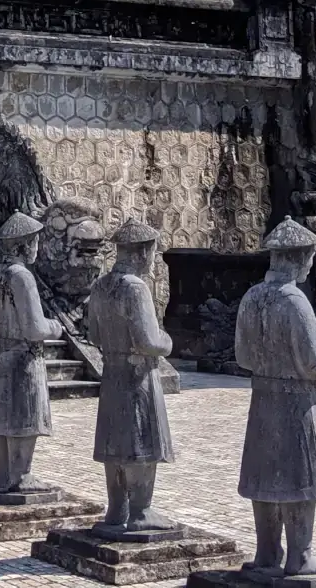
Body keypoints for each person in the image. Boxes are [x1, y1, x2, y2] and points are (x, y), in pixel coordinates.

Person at [233, 218, 316, 578]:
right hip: (295, 401)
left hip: (262, 396)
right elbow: (315, 361)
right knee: (300, 477)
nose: (312, 264)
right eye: (311, 256)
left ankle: (266, 552)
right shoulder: (294, 300)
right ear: (300, 257)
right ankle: (300, 554)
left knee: (264, 475)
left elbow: (243, 356)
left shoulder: (252, 296)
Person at [88, 217, 176, 538]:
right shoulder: (136, 288)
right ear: (142, 252)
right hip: (138, 374)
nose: (153, 259)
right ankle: (140, 509)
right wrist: (167, 342)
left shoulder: (101, 285)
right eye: (152, 252)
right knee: (141, 441)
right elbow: (149, 341)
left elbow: (93, 333)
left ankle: (116, 508)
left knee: (115, 441)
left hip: (112, 372)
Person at [0, 211, 61, 497]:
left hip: (0, 351)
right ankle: (22, 474)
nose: (37, 247)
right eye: (35, 241)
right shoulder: (22, 276)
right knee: (25, 416)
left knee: (2, 418)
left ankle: (2, 475)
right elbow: (34, 326)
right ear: (26, 244)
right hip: (23, 354)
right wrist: (56, 328)